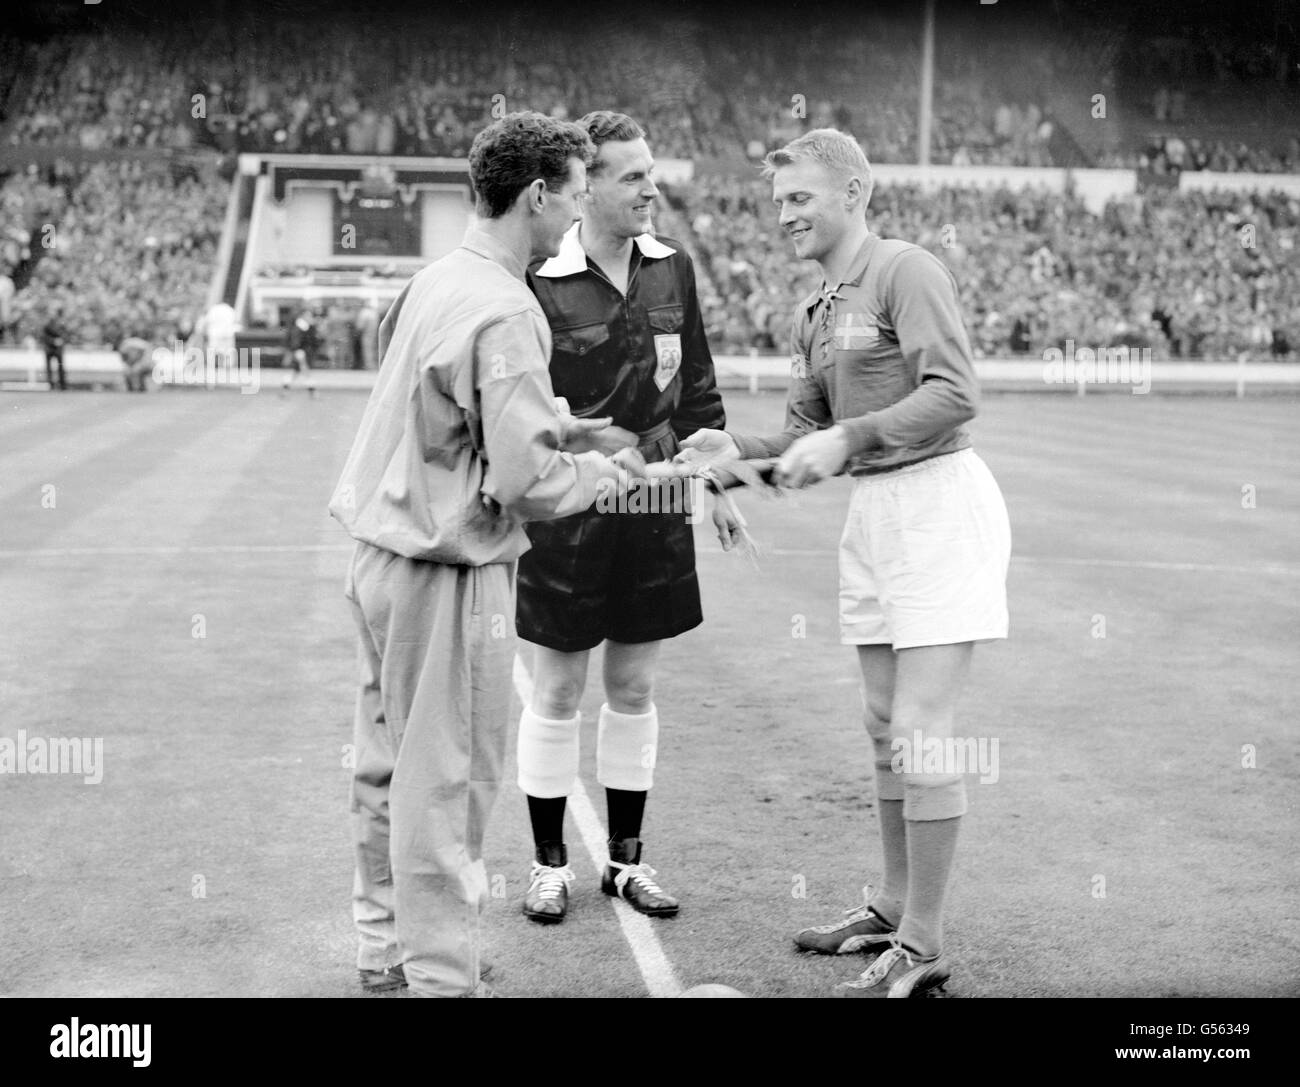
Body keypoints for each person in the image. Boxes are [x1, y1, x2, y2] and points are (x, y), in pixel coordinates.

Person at [679, 129, 1011, 998]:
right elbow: (798, 440)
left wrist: (849, 439)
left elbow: (956, 393)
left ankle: (926, 943)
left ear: (854, 192)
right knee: (880, 722)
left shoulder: (906, 270)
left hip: (939, 501)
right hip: (876, 514)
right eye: (779, 199)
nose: (783, 213)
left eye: (800, 198)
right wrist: (733, 454)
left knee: (921, 729)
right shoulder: (814, 307)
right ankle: (897, 907)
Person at [328, 111, 649, 999]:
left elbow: (440, 414)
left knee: (384, 769)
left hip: (377, 555)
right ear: (539, 195)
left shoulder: (438, 278)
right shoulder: (509, 304)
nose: (580, 212)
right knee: (446, 781)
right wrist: (607, 469)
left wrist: (557, 427)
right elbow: (527, 482)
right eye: (577, 194)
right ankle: (441, 977)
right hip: (444, 572)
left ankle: (388, 950)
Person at [513, 111, 728, 925]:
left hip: (658, 505)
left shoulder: (673, 269)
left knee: (634, 685)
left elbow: (698, 386)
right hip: (569, 510)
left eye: (652, 172)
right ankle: (546, 866)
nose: (651, 187)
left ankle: (627, 864)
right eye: (632, 175)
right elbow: (526, 408)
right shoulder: (537, 278)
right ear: (588, 184)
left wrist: (717, 486)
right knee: (560, 687)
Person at [42, 309, 68, 391]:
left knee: (60, 367)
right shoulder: (47, 325)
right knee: (49, 368)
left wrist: (61, 341)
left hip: (58, 349)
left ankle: (62, 385)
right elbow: (44, 336)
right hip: (50, 348)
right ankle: (51, 385)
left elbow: (65, 334)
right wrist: (54, 341)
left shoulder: (61, 323)